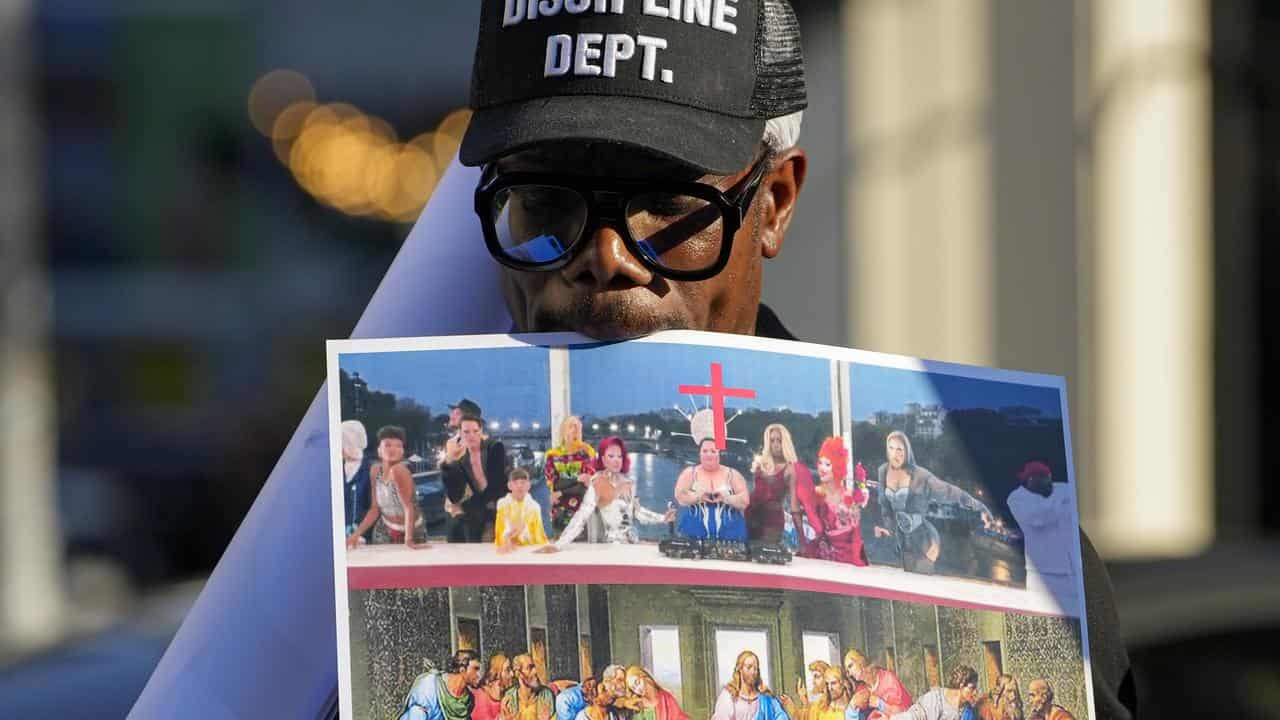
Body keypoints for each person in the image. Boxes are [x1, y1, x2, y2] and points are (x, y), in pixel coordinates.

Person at [131, 4, 1137, 719]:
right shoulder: (332, 591)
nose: (605, 261)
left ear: (775, 201)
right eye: (546, 206)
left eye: (667, 206)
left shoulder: (1018, 550)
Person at [872, 431, 992, 574]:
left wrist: (980, 507)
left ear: (907, 450)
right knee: (907, 581)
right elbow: (885, 507)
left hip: (925, 543)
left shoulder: (921, 476)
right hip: (903, 543)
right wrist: (889, 530)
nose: (895, 454)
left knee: (921, 584)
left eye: (899, 449)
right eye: (891, 448)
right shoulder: (883, 471)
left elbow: (950, 491)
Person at [539, 436, 674, 551]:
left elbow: (636, 512)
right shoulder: (597, 482)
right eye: (611, 456)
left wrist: (663, 518)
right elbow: (581, 517)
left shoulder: (628, 482)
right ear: (603, 459)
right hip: (609, 546)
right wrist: (558, 545)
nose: (616, 460)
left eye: (619, 456)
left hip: (631, 542)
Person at [347, 425, 427, 549]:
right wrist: (356, 535)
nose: (393, 449)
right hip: (384, 528)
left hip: (411, 530)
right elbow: (375, 509)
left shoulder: (400, 471)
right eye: (387, 445)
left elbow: (408, 507)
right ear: (379, 450)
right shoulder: (374, 470)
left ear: (402, 451)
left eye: (398, 446)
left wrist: (408, 539)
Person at [1006, 462, 1078, 584]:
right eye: (1028, 479)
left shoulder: (1064, 489)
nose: (1028, 482)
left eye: (1032, 478)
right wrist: (1061, 500)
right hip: (1042, 573)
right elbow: (1039, 518)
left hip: (1074, 571)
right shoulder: (1016, 498)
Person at [442, 413, 509, 542]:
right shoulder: (459, 457)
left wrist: (466, 506)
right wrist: (450, 460)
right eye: (466, 432)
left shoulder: (495, 448)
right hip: (477, 511)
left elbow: (497, 486)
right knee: (459, 524)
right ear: (459, 434)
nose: (471, 435)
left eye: (475, 431)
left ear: (481, 431)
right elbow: (454, 495)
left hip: (499, 503)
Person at [748, 424, 817, 546]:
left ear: (785, 442)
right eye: (772, 440)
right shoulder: (761, 464)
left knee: (767, 554)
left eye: (779, 440)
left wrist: (802, 542)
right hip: (750, 515)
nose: (775, 444)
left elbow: (794, 507)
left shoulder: (790, 469)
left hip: (772, 520)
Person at [673, 437, 750, 541]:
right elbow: (680, 497)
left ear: (719, 453)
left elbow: (745, 501)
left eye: (713, 451)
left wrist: (726, 498)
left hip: (732, 535)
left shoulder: (733, 474)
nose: (708, 454)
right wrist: (697, 496)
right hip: (693, 534)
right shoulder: (689, 473)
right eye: (705, 451)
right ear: (699, 453)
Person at [810, 437, 869, 566]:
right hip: (824, 561)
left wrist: (857, 561)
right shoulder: (816, 493)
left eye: (827, 464)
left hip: (849, 560)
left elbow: (856, 534)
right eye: (820, 463)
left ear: (837, 466)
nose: (821, 468)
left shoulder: (848, 495)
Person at [544, 416, 598, 537]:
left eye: (578, 427)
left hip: (582, 512)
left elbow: (584, 487)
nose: (575, 430)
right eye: (571, 426)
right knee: (560, 548)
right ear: (563, 430)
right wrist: (576, 479)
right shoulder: (552, 455)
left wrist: (561, 492)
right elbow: (554, 483)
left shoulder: (587, 453)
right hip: (559, 511)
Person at [398, 649, 484, 720]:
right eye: (475, 669)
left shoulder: (467, 700)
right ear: (462, 670)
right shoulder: (430, 685)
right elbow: (416, 715)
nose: (479, 674)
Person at [711, 650, 790, 720]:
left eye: (755, 668)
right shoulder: (729, 696)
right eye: (749, 667)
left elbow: (781, 717)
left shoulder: (767, 699)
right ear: (740, 669)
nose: (753, 672)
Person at [888, 665, 980, 720]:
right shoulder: (935, 699)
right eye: (972, 688)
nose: (975, 692)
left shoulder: (967, 711)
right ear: (961, 685)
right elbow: (914, 716)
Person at [494, 468, 549, 552]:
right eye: (515, 483)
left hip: (528, 548)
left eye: (523, 483)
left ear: (528, 485)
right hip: (506, 546)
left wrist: (520, 532)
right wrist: (509, 535)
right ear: (509, 485)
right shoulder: (502, 504)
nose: (519, 486)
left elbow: (538, 535)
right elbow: (500, 530)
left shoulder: (534, 507)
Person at [843, 650, 911, 716]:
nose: (850, 673)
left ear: (861, 661)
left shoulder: (887, 679)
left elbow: (904, 710)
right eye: (848, 670)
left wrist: (880, 704)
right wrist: (853, 705)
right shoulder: (861, 688)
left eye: (850, 666)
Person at [341, 419, 372, 540]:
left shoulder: (370, 470)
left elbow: (373, 508)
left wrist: (358, 531)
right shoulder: (334, 468)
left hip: (364, 539)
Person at [501, 654, 555, 720]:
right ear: (518, 673)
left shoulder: (546, 695)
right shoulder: (509, 697)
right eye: (530, 668)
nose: (535, 671)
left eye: (534, 667)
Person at [624, 666, 688, 720]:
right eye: (633, 688)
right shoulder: (637, 706)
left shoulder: (665, 697)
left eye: (637, 682)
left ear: (644, 676)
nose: (637, 689)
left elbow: (679, 716)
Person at [474, 654, 516, 720]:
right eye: (508, 670)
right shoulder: (481, 696)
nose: (512, 674)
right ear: (497, 672)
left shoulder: (507, 695)